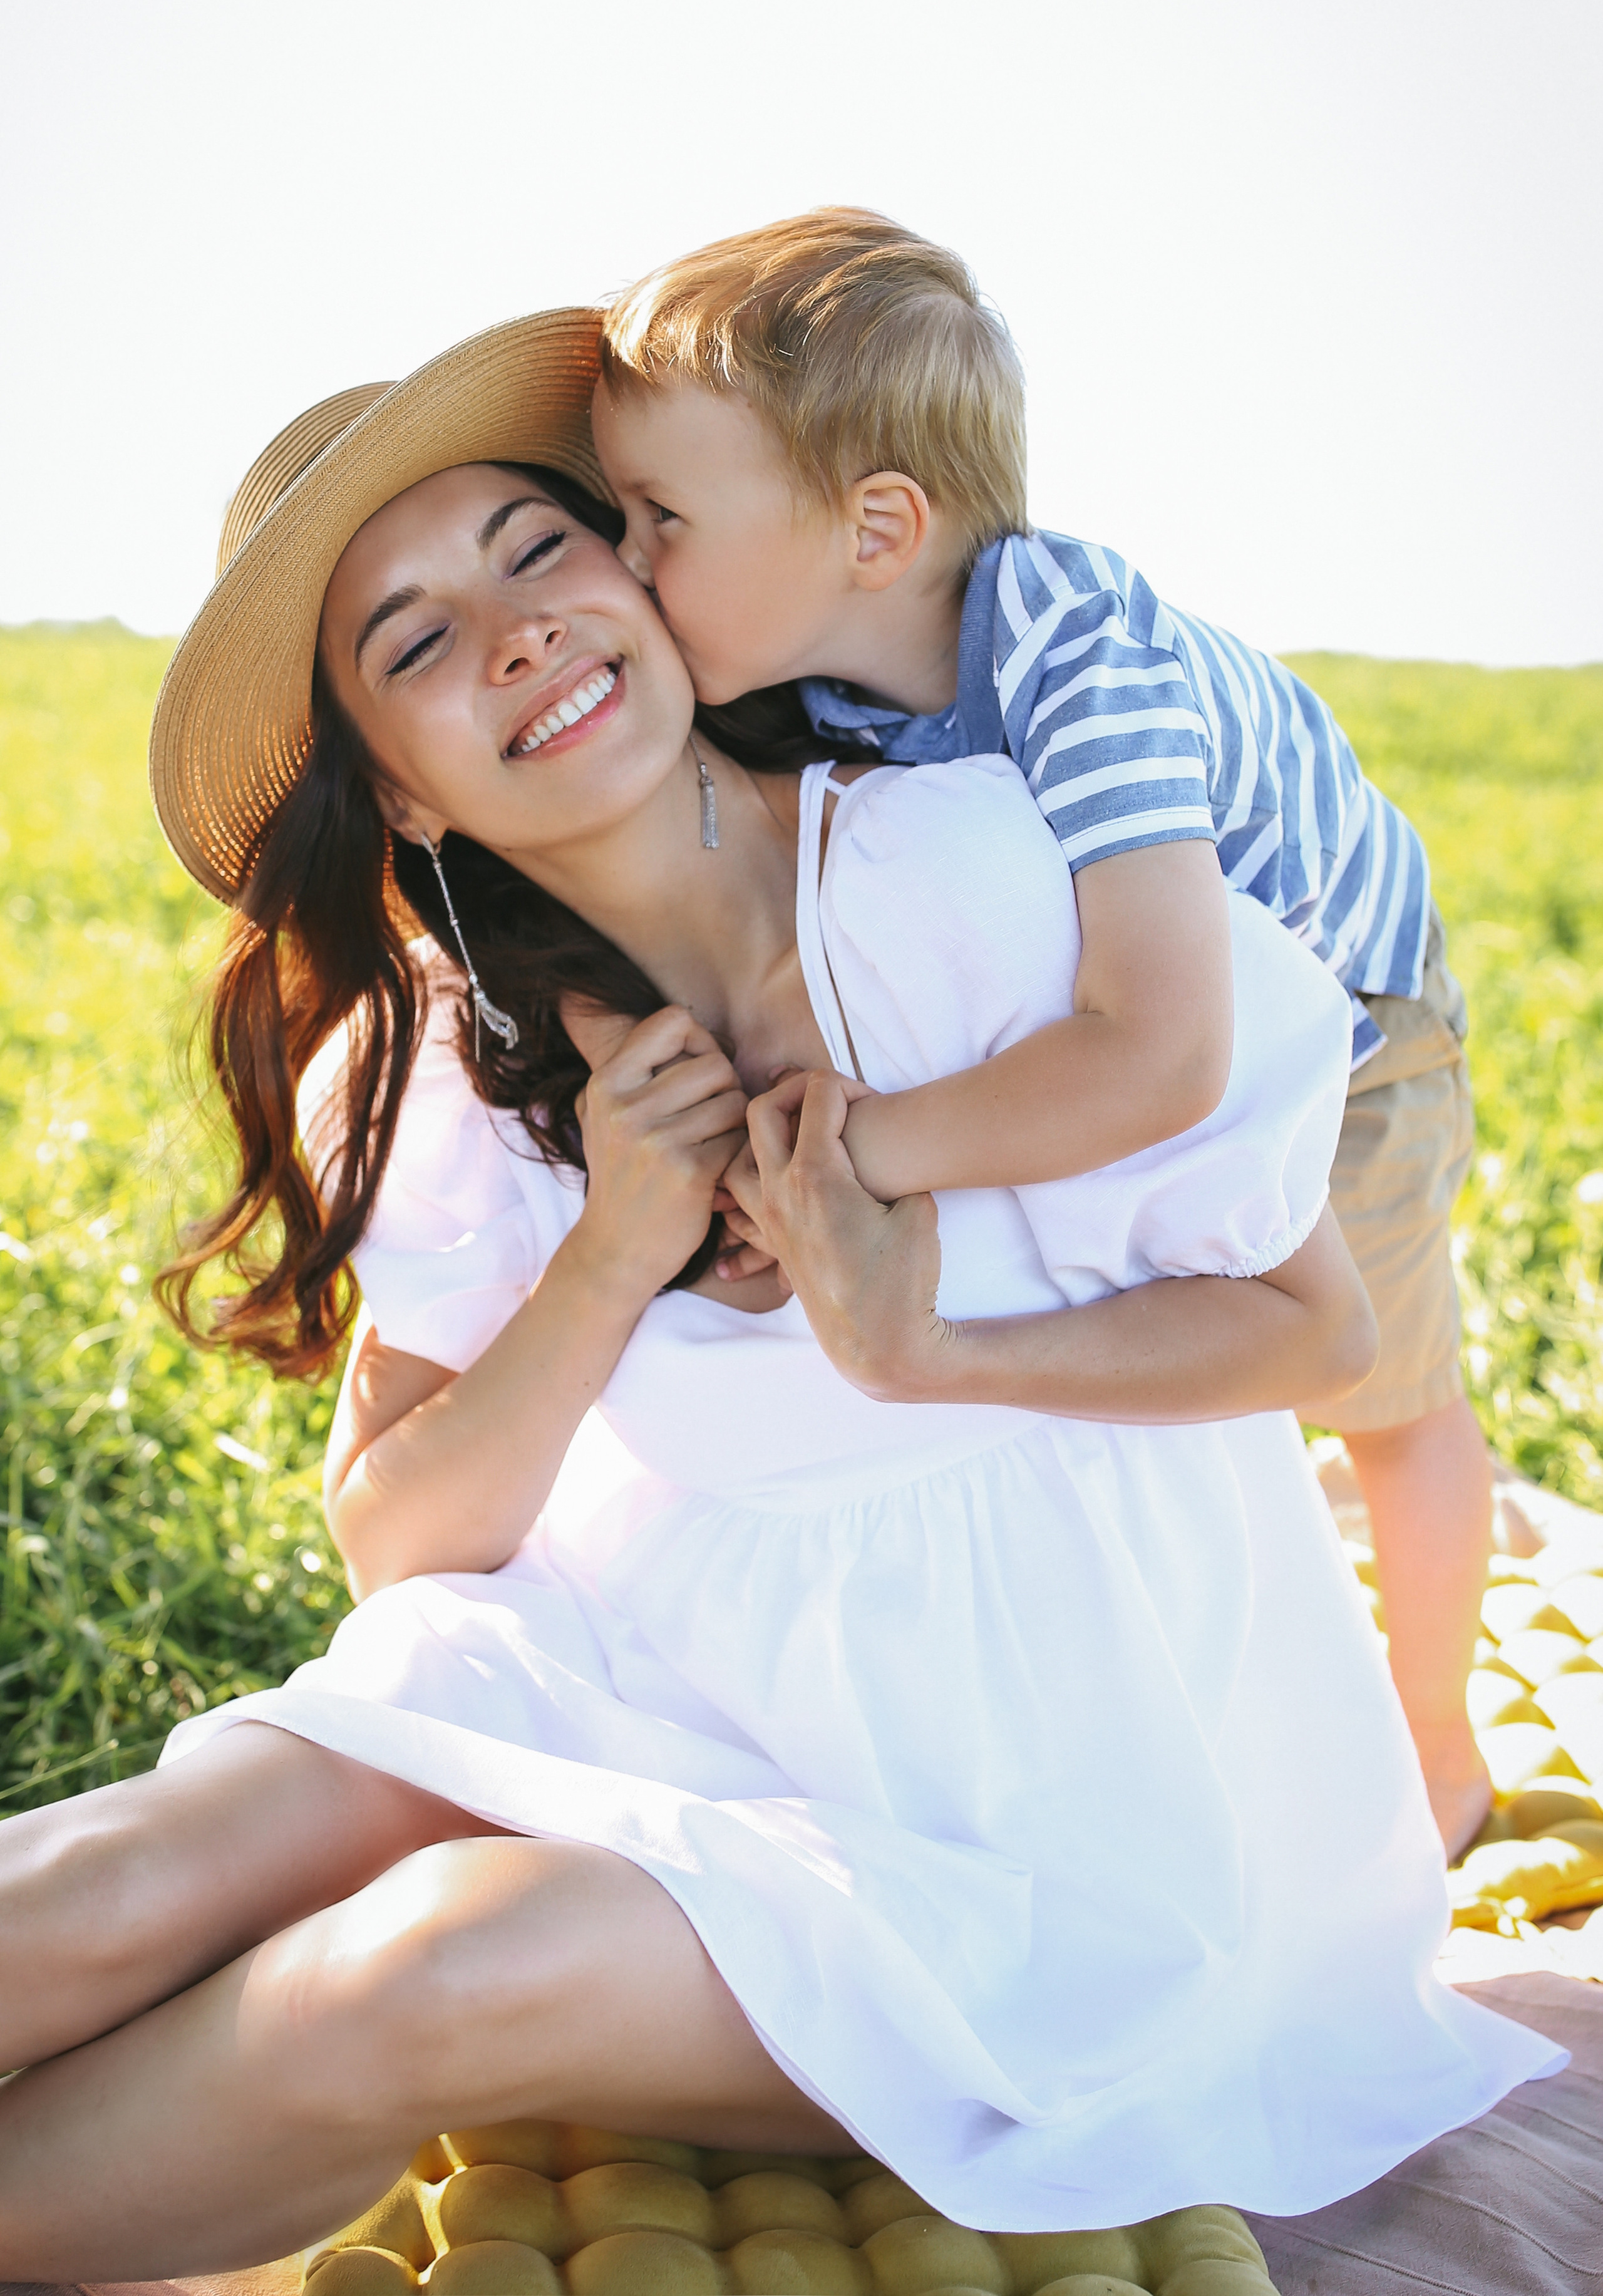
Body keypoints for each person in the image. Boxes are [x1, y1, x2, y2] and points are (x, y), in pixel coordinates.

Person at [0, 321, 1554, 2283]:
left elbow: (1322, 1333)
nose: (514, 636)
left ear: (644, 573)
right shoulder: (445, 1069)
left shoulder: (984, 884)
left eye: (537, 551)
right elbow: (409, 1546)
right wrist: (611, 1248)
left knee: (419, 1969)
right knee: (109, 1877)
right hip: (628, 1684)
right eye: (411, 642)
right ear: (396, 797)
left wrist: (930, 1351)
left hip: (1048, 1830)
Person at [589, 208, 1495, 1858]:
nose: (623, 566)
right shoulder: (819, 673)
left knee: (1385, 1391)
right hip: (1155, 1011)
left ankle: (1438, 1750)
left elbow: (1165, 1056)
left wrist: (852, 1148)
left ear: (876, 528)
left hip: (1347, 1023)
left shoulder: (1087, 665)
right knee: (1186, 1366)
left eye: (660, 520)